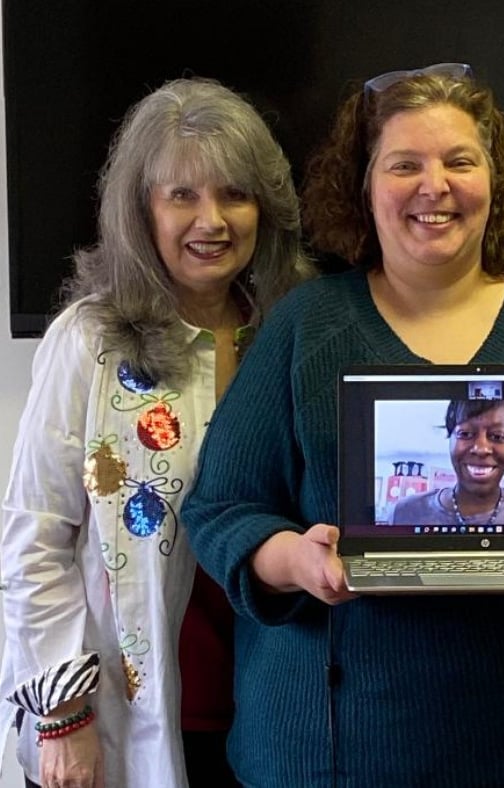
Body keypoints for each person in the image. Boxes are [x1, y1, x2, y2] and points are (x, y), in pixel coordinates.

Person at [180, 64, 504, 787]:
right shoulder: (306, 326)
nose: (437, 186)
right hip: (342, 755)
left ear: (496, 181)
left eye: (462, 161)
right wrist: (293, 560)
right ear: (364, 185)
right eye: (405, 165)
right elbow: (221, 508)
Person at [0, 77, 309, 788]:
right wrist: (62, 718)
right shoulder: (89, 340)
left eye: (234, 193)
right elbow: (35, 536)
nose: (214, 220)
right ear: (143, 209)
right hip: (126, 717)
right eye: (183, 196)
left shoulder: (292, 333)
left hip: (271, 712)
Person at [390, 398, 504, 526]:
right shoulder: (404, 512)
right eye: (466, 434)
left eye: (497, 436)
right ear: (450, 441)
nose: (481, 448)